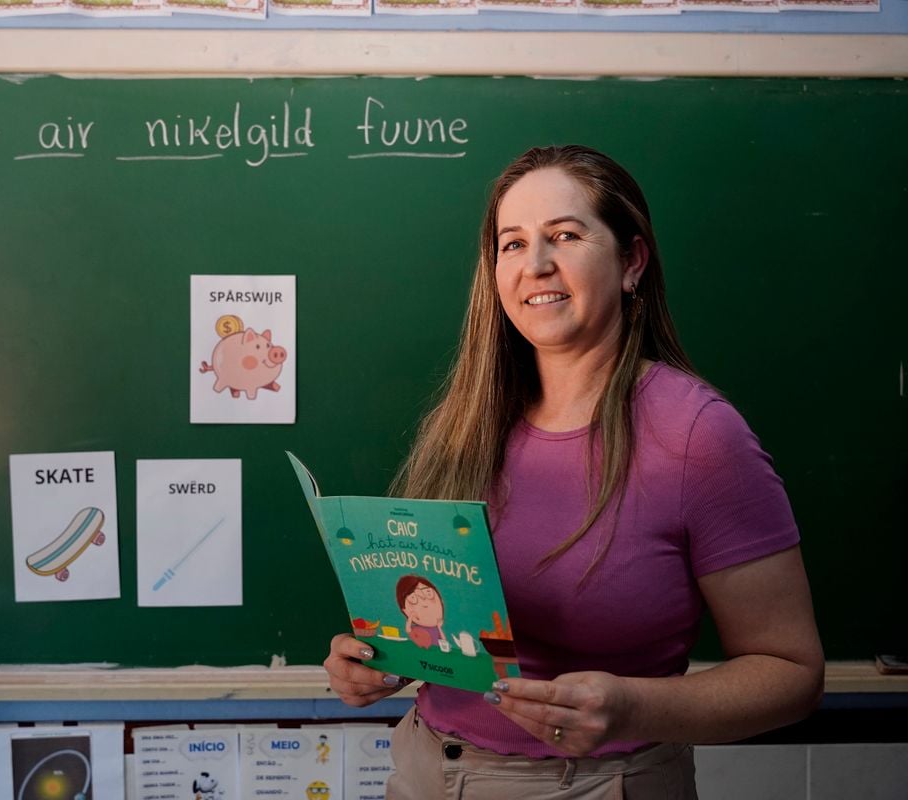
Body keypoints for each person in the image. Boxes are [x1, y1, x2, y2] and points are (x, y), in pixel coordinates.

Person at [322, 145, 824, 799]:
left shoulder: (696, 434)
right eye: (512, 243)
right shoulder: (467, 420)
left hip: (594, 785)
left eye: (564, 235)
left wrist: (633, 707)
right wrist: (379, 661)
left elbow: (793, 673)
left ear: (631, 262)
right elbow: (449, 622)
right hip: (424, 770)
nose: (535, 265)